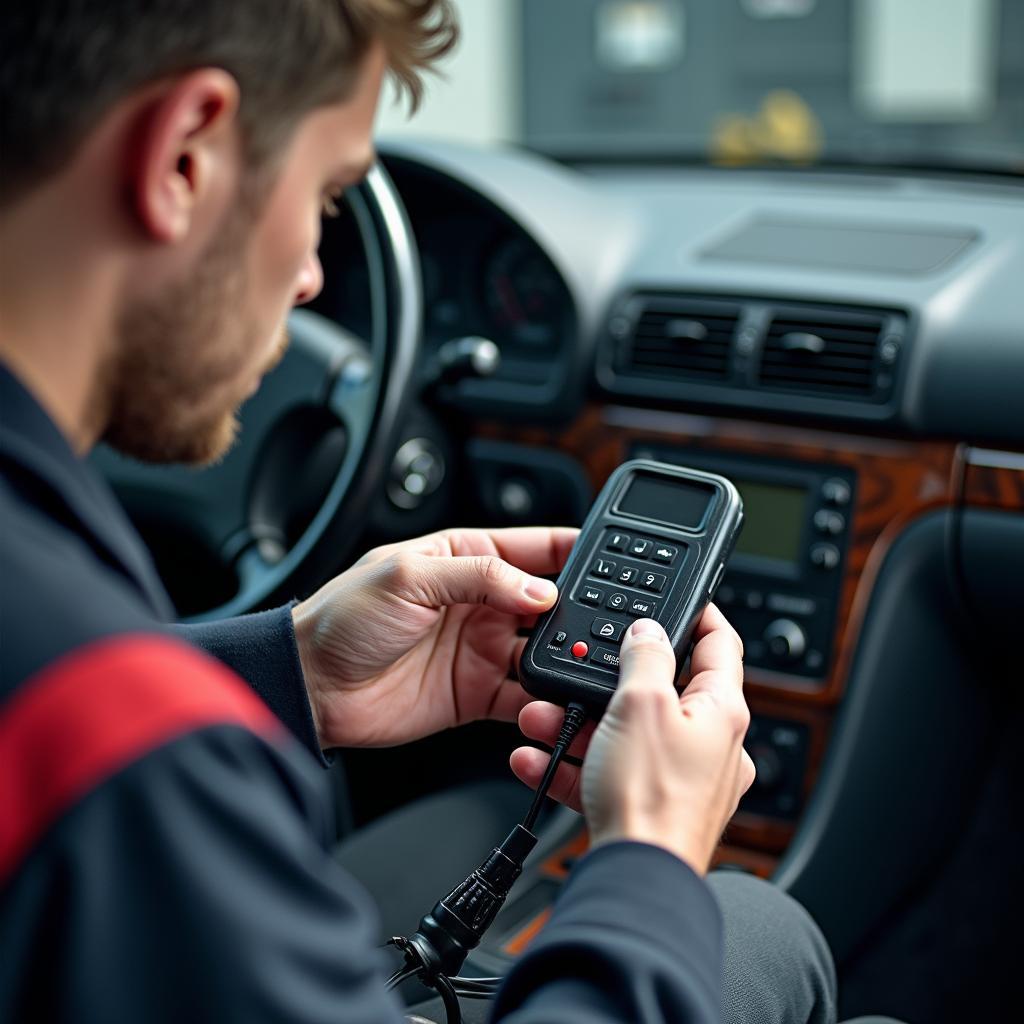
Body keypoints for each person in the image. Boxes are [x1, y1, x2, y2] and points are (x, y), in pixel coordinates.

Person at [0, 3, 839, 1022]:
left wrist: (289, 668)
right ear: (184, 156)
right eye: (325, 196)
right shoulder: (134, 772)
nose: (313, 278)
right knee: (760, 928)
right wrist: (649, 851)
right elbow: (96, 739)